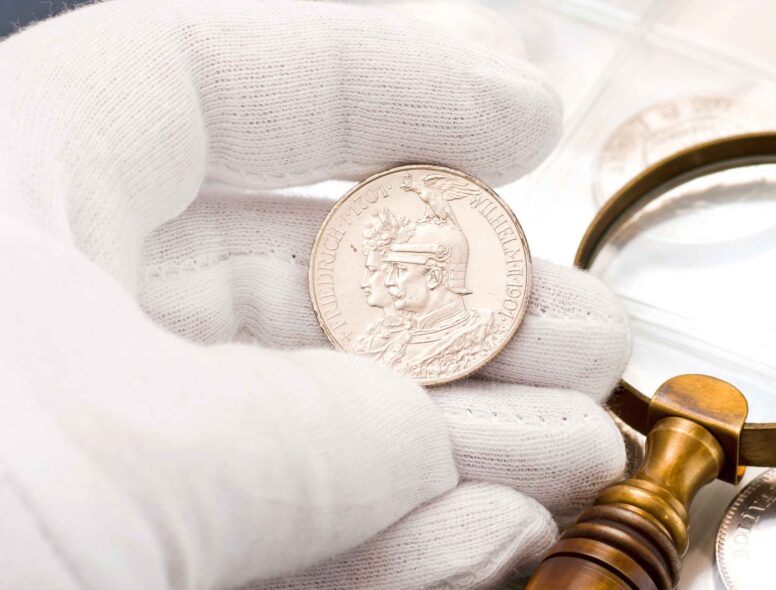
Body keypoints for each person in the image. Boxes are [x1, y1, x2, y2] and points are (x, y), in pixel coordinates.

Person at [0, 1, 631, 589]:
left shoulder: (449, 333)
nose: (376, 279)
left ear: (439, 277)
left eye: (398, 267)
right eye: (381, 265)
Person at [383, 219, 499, 380]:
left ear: (434, 277)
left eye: (400, 270)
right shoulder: (402, 341)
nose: (389, 281)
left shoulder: (480, 333)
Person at [354, 209, 414, 366]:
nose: (364, 283)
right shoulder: (374, 333)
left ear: (395, 273)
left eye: (372, 271)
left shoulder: (416, 338)